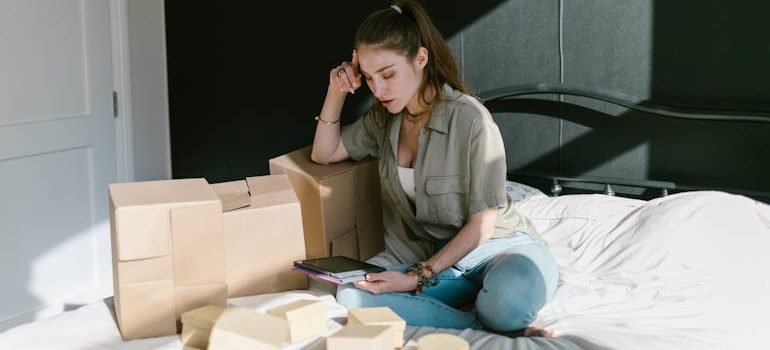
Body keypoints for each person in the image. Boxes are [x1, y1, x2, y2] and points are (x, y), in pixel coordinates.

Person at [310, 0, 559, 338]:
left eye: (387, 74)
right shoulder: (383, 121)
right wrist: (336, 90)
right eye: (368, 78)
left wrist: (416, 277)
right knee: (352, 293)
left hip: (501, 249)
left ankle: (495, 313)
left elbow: (482, 226)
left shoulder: (470, 118)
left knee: (507, 299)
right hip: (444, 265)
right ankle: (482, 323)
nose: (378, 90)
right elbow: (325, 153)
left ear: (421, 59)